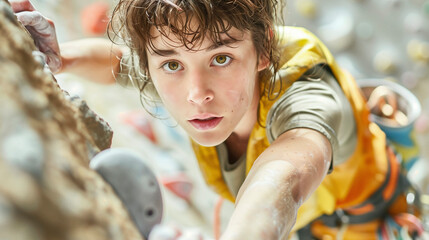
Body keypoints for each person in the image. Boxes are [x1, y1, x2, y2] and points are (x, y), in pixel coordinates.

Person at [10, 0, 423, 239]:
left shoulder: (308, 98)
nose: (196, 93)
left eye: (221, 59)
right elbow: (120, 62)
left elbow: (284, 176)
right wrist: (62, 58)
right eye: (170, 64)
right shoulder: (178, 65)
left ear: (263, 54)